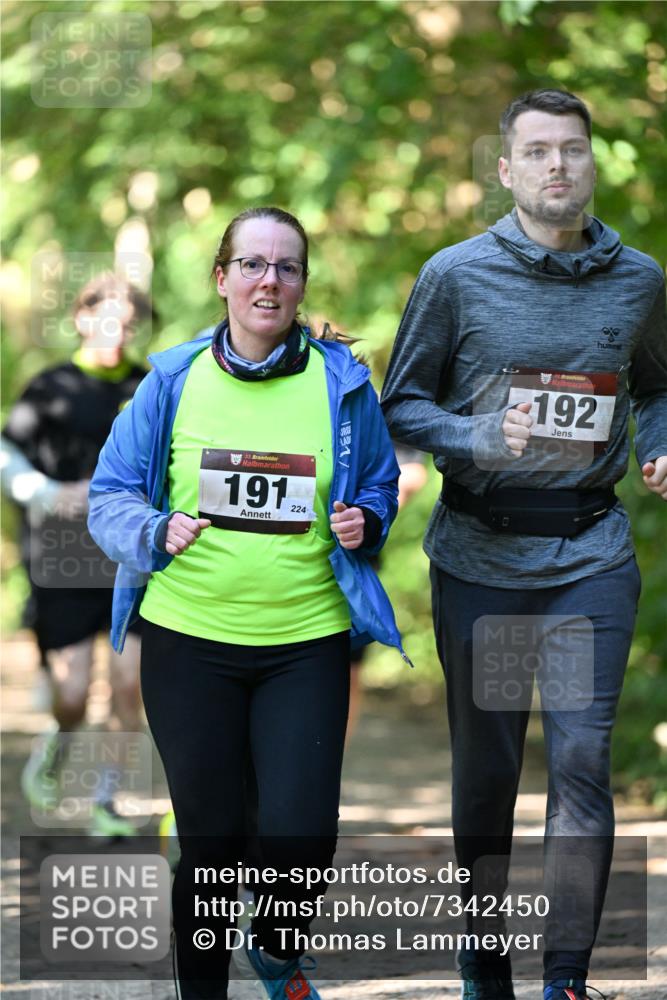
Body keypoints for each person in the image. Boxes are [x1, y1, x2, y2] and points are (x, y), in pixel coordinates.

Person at [381, 89, 667, 1000]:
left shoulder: (641, 280)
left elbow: (657, 387)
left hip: (590, 555)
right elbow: (402, 405)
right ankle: (483, 969)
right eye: (537, 152)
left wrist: (658, 442)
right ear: (504, 170)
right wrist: (475, 437)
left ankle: (566, 978)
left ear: (591, 164)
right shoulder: (455, 276)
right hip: (482, 563)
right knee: (492, 769)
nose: (557, 167)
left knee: (581, 762)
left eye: (572, 151)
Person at [88, 206, 405, 1000]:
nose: (270, 279)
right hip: (188, 642)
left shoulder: (342, 382)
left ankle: (272, 945)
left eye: (287, 267)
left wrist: (365, 520)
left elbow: (376, 487)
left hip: (307, 641)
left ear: (301, 284)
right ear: (222, 278)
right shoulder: (170, 379)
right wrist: (155, 530)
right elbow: (109, 498)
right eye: (254, 264)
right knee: (211, 844)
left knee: (302, 839)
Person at [1, 272, 151, 836]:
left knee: (129, 683)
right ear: (82, 319)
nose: (118, 332)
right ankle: (60, 740)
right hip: (63, 557)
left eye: (128, 323)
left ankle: (106, 802)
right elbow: (7, 452)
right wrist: (47, 492)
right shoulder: (49, 387)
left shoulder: (149, 386)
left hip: (130, 558)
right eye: (108, 319)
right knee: (71, 693)